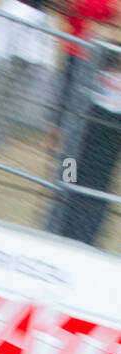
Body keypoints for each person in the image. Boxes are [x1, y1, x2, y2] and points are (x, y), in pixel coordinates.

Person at [53, 24, 121, 242]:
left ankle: (84, 237)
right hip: (80, 136)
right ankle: (57, 226)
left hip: (108, 140)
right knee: (67, 179)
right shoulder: (93, 64)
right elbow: (96, 36)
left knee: (96, 190)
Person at [0, 0, 59, 151]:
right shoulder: (16, 8)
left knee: (11, 100)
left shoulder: (40, 15)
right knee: (1, 96)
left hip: (28, 49)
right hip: (14, 50)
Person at [51, 0, 117, 150]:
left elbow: (113, 19)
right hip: (72, 48)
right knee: (63, 94)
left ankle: (67, 138)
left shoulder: (109, 2)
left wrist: (101, 27)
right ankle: (57, 137)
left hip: (93, 54)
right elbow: (64, 12)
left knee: (78, 98)